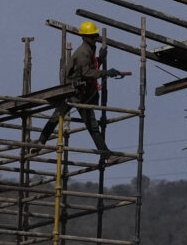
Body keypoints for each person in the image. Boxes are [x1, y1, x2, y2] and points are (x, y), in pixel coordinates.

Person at [40, 21, 125, 154]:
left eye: (95, 36)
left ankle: (41, 141)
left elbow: (89, 68)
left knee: (58, 117)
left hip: (78, 90)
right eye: (92, 36)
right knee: (90, 124)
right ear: (85, 37)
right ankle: (106, 154)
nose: (95, 38)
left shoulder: (89, 49)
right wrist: (106, 72)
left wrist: (100, 60)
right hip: (74, 91)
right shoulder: (83, 52)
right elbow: (87, 73)